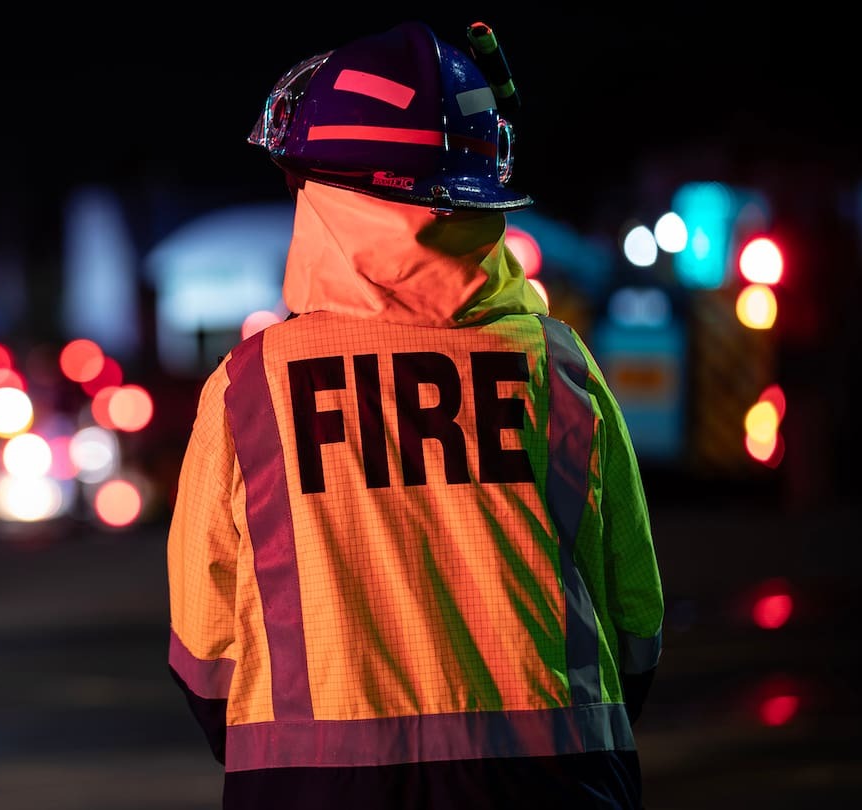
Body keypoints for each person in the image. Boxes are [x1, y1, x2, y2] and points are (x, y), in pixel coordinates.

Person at [165, 20, 664, 810]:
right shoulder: (559, 368)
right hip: (558, 783)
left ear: (327, 189)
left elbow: (204, 649)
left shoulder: (250, 388)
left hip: (314, 790)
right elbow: (634, 616)